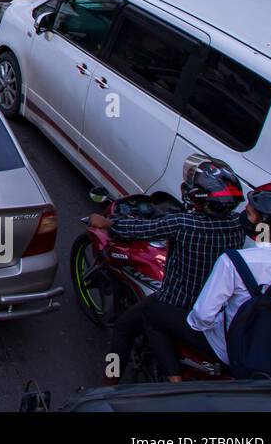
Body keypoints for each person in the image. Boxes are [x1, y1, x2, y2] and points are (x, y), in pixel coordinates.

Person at [88, 159, 245, 383]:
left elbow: (137, 229)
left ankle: (109, 383)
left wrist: (105, 222)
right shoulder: (237, 225)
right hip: (217, 308)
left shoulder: (183, 224)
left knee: (123, 327)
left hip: (177, 302)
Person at [185, 190, 271, 381]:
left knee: (154, 314)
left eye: (250, 213)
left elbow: (202, 318)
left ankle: (173, 382)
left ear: (263, 226)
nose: (244, 216)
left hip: (227, 351)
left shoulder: (232, 260)